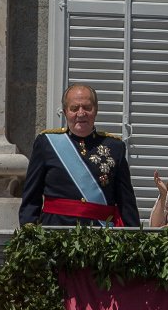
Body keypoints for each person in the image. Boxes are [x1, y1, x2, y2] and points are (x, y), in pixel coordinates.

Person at [19, 83, 140, 227]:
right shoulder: (46, 144)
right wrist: (28, 230)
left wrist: (133, 236)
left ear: (96, 110)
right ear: (65, 112)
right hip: (55, 234)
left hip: (101, 236)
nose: (81, 113)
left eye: (87, 108)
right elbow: (32, 195)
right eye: (74, 108)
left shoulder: (115, 147)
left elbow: (126, 201)